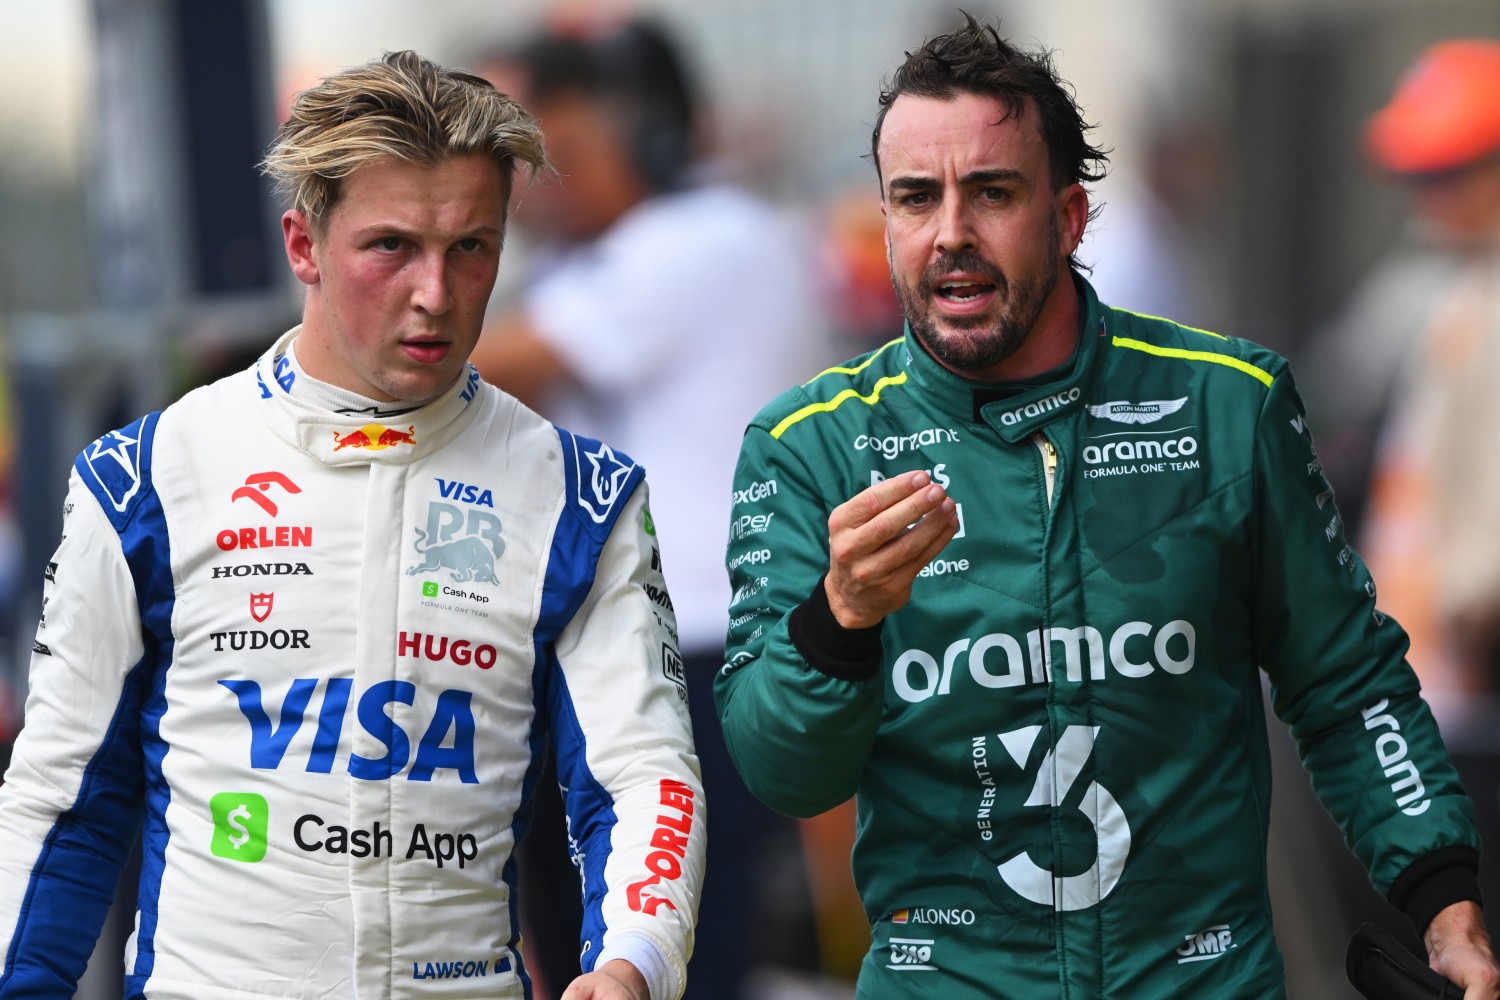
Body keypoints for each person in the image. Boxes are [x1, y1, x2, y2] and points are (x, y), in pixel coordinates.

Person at [714, 15, 1500, 998]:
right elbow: (783, 773)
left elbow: (1348, 685)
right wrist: (839, 622)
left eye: (992, 192)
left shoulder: (1229, 404)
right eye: (916, 198)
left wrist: (1444, 898)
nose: (949, 232)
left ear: (1070, 217)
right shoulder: (810, 444)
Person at [0, 51, 703, 1000]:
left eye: (472, 248)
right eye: (391, 246)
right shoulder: (149, 477)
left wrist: (633, 967)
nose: (436, 294)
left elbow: (643, 777)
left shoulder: (579, 495)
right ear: (303, 245)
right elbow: (60, 807)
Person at [469, 18, 831, 1000]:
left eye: (553, 152)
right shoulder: (634, 248)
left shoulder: (705, 238)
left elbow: (470, 362)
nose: (535, 182)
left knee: (663, 960)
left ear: (638, 135)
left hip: (695, 654)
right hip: (639, 650)